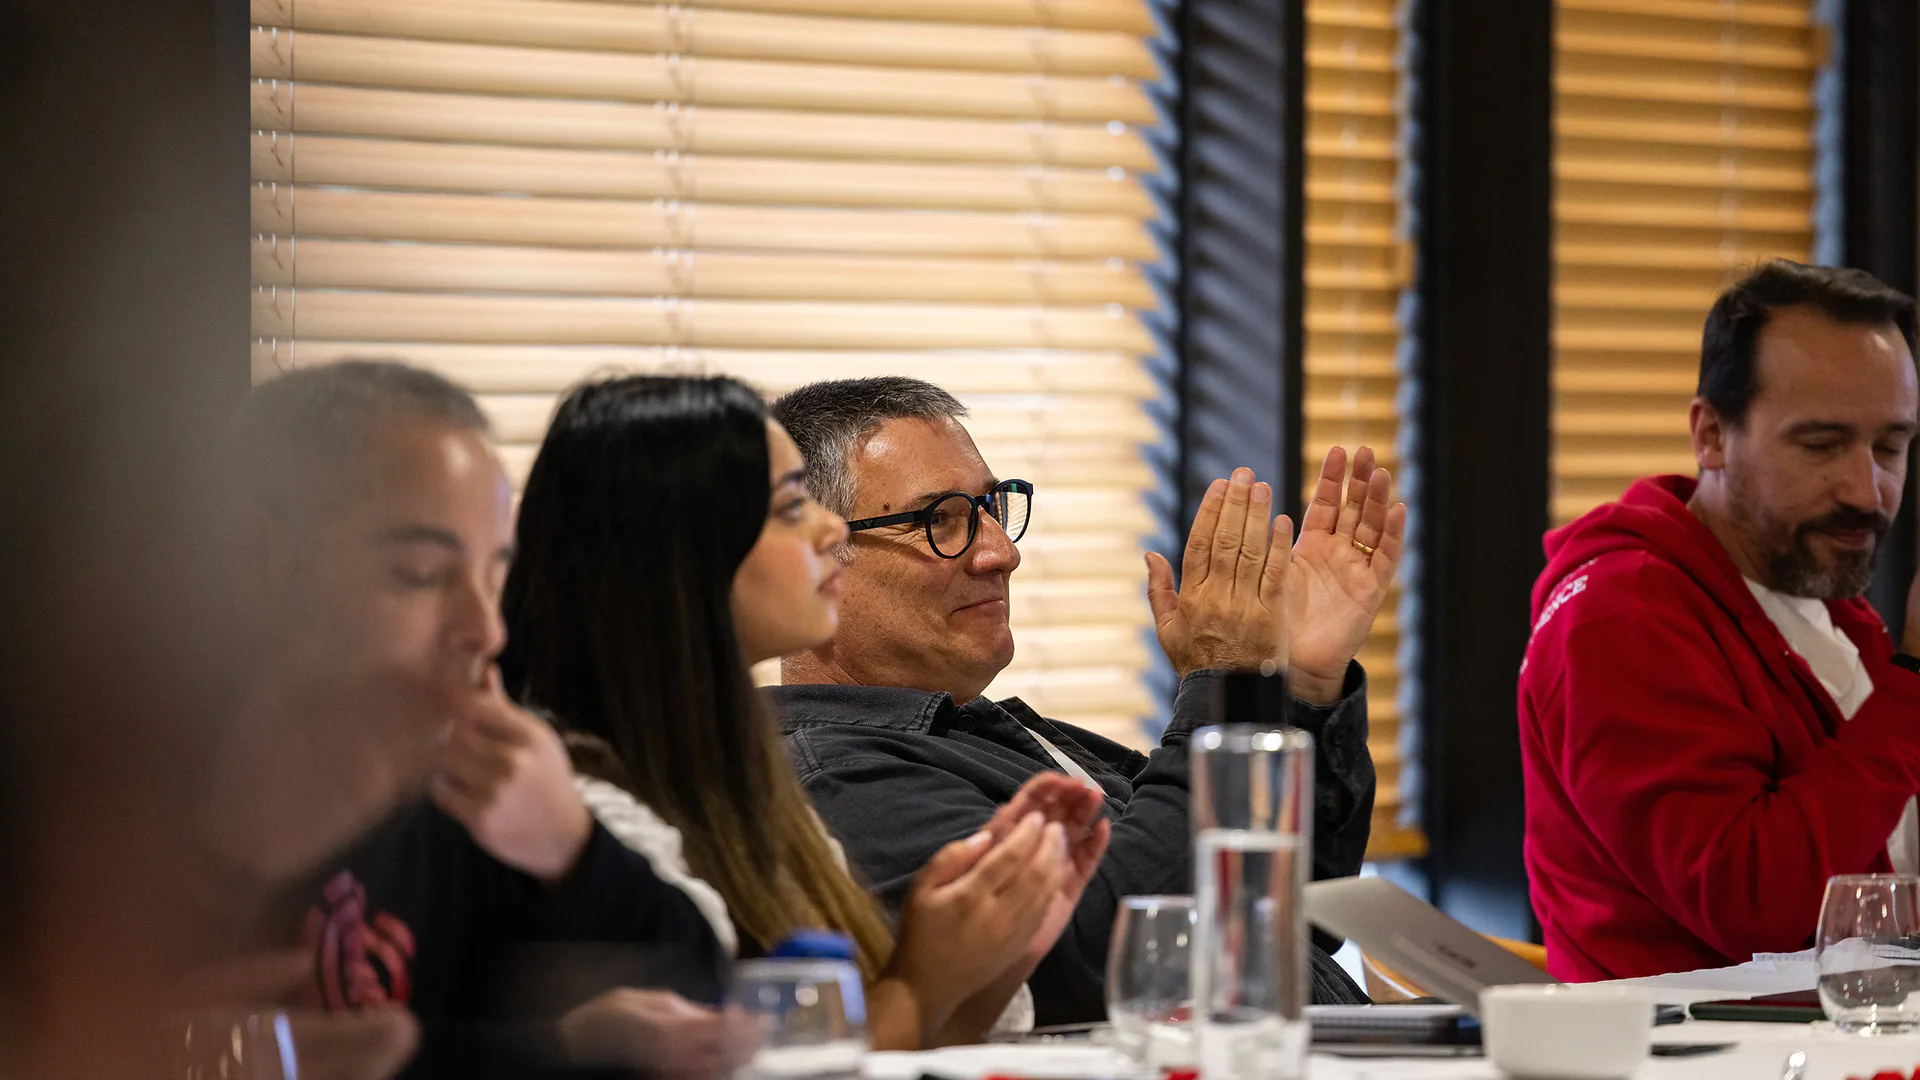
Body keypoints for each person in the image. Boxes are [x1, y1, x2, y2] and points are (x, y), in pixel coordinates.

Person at [499, 374, 1110, 1052]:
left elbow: (907, 1033)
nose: (829, 530)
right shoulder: (585, 807)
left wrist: (984, 953)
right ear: (685, 552)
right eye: (792, 507)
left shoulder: (740, 779)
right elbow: (760, 1064)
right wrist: (920, 985)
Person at [768, 377, 1405, 1020]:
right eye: (941, 520)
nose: (1001, 552)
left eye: (991, 508)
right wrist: (1225, 685)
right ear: (817, 556)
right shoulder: (834, 773)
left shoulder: (992, 735)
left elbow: (1290, 916)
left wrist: (1303, 687)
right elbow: (1111, 965)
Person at [224, 361, 730, 1078]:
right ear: (262, 557)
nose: (485, 630)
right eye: (422, 575)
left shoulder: (443, 790)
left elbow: (696, 990)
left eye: (495, 577)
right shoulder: (115, 818)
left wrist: (570, 851)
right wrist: (553, 1051)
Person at [1519, 259, 1920, 981]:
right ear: (1710, 435)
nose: (1868, 489)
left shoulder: (1810, 588)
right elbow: (1753, 902)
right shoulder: (1623, 616)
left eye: (1890, 446)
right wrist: (1914, 685)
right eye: (1822, 445)